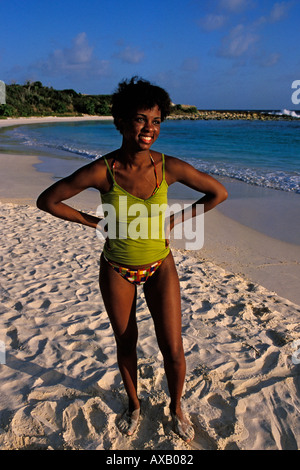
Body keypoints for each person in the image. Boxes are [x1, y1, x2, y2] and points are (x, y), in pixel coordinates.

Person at [36, 77, 228, 442]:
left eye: (156, 121)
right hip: (116, 269)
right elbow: (48, 201)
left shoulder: (168, 167)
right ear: (121, 122)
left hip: (160, 266)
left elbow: (218, 192)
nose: (149, 129)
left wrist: (177, 218)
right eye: (141, 119)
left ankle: (176, 406)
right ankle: (135, 404)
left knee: (172, 347)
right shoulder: (102, 170)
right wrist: (94, 222)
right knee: (126, 342)